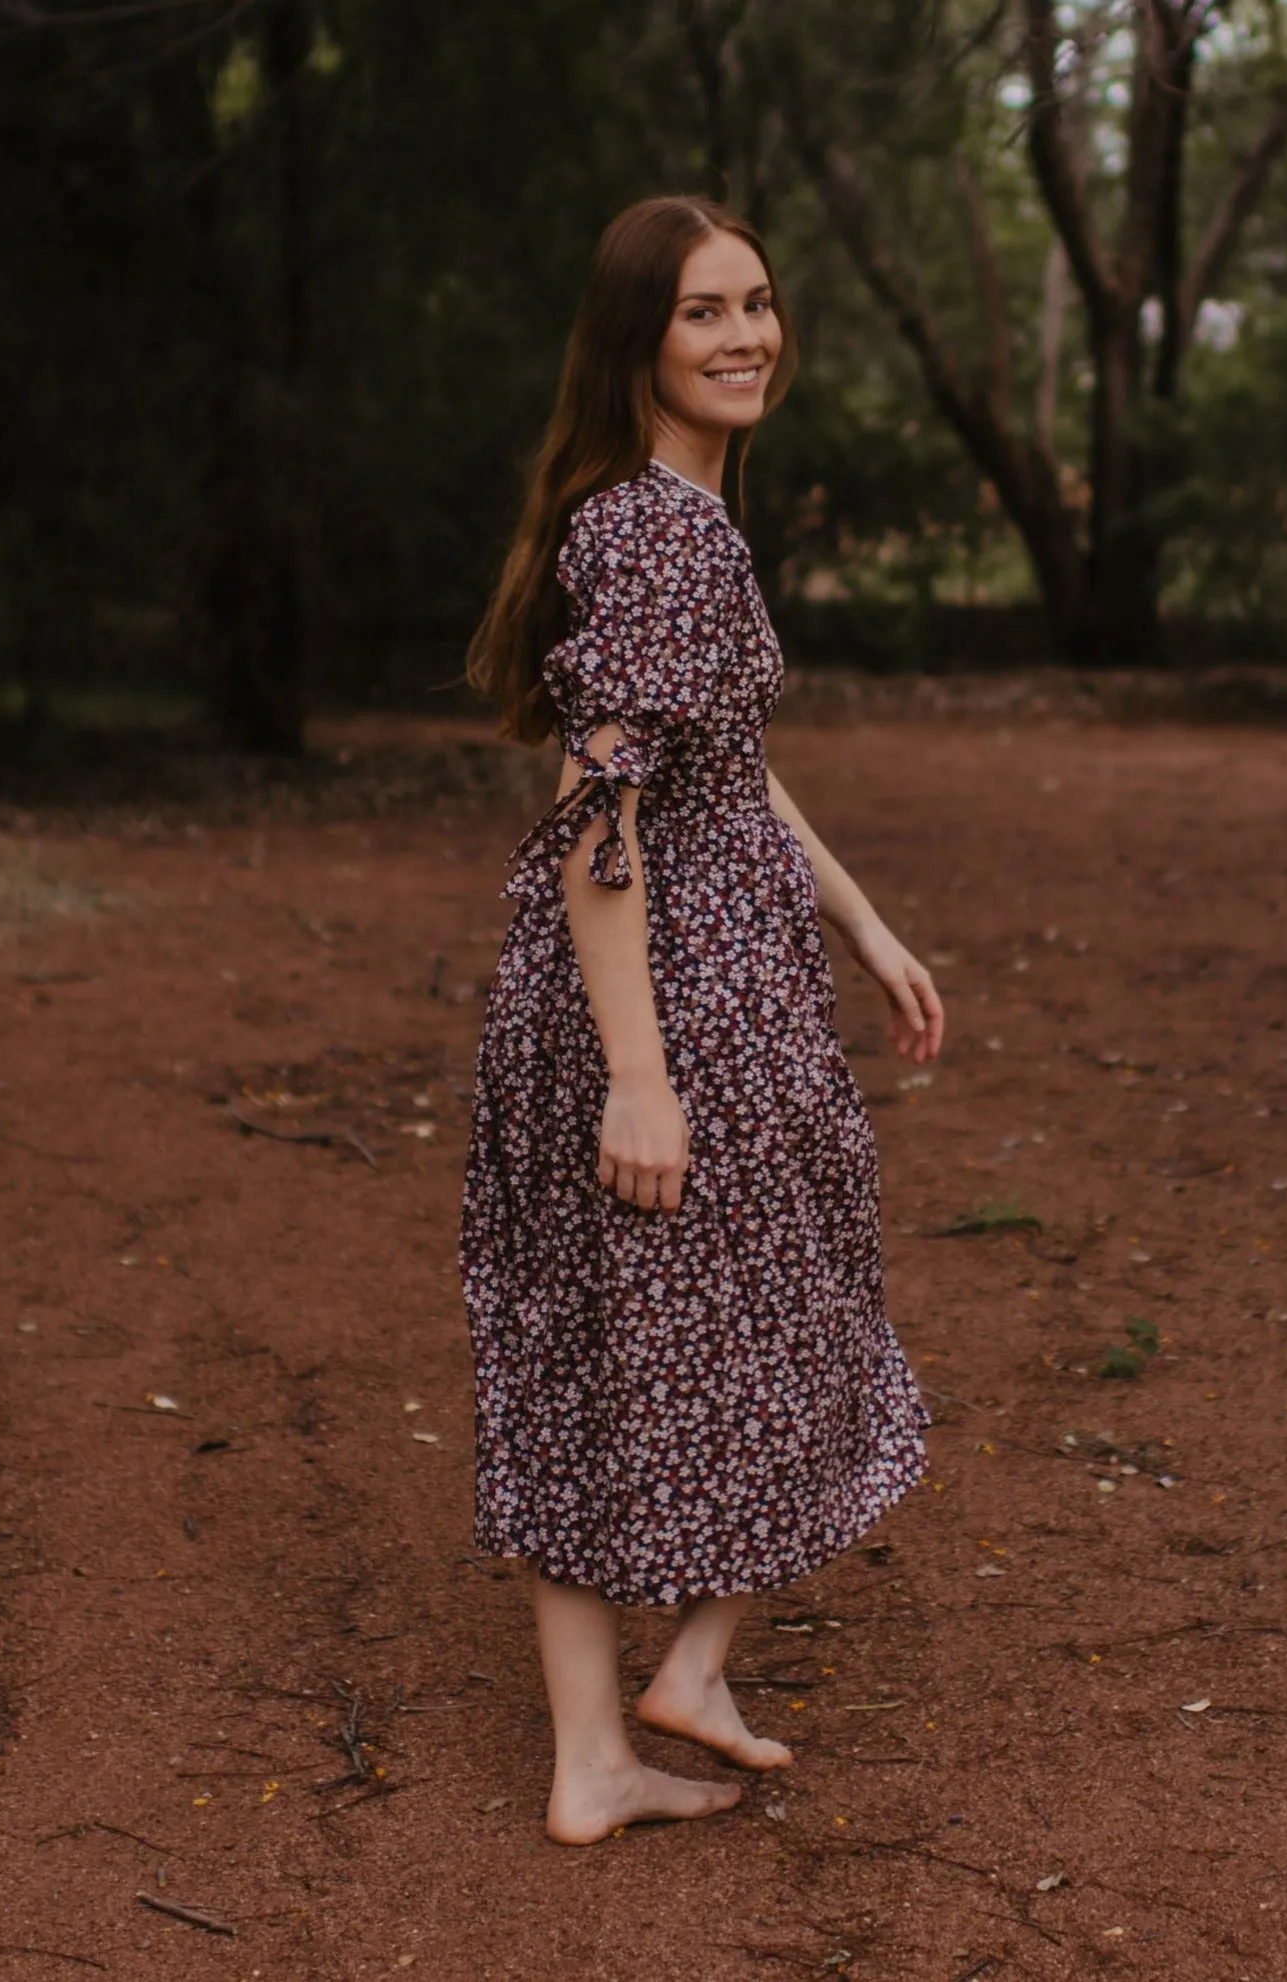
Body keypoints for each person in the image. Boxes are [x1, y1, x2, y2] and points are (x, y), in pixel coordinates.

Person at [461, 194, 944, 1846]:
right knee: (800, 1317)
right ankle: (665, 1695)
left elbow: (708, 763)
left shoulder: (641, 517)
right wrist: (639, 1074)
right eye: (701, 314)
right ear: (637, 345)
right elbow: (599, 816)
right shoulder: (667, 534)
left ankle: (614, 1739)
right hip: (670, 1000)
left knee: (590, 1342)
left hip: (673, 976)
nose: (745, 335)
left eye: (757, 303)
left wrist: (862, 917)